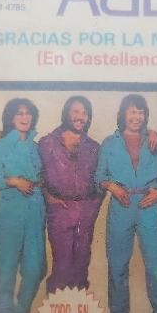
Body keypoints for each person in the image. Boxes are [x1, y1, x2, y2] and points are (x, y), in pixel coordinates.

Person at [95, 94, 157, 313]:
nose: (136, 116)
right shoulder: (109, 143)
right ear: (123, 114)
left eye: (141, 112)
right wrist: (111, 186)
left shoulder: (154, 142)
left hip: (149, 206)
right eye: (132, 111)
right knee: (117, 267)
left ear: (145, 115)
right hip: (121, 207)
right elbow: (99, 175)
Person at [0, 98, 46, 313]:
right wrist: (14, 181)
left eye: (28, 113)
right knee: (6, 270)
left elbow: (44, 176)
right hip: (10, 210)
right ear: (11, 118)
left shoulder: (36, 147)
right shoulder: (0, 147)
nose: (24, 117)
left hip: (36, 210)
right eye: (19, 113)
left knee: (35, 269)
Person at [38, 96, 103, 293]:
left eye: (85, 113)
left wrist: (92, 207)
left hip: (85, 211)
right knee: (62, 265)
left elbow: (101, 180)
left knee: (81, 264)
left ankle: (78, 307)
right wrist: (48, 197)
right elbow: (37, 174)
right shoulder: (47, 143)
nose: (80, 117)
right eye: (76, 111)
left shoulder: (93, 147)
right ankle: (55, 307)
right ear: (66, 112)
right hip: (60, 210)